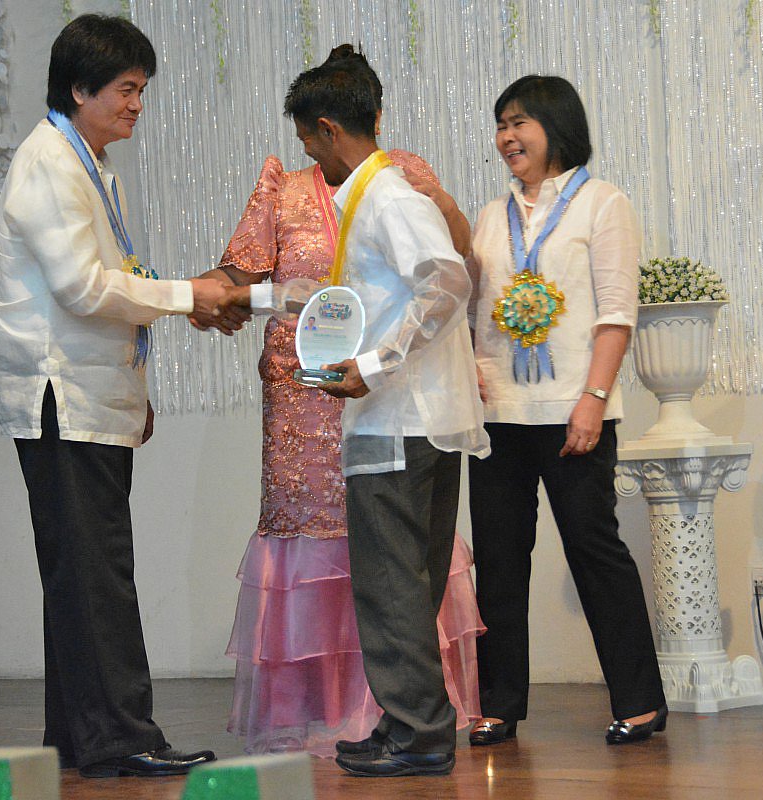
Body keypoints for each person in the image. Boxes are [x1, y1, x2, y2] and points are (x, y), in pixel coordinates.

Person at [196, 47, 484, 759]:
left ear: (328, 129)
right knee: (403, 584)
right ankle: (409, 722)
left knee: (390, 586)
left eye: (308, 141)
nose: (308, 156)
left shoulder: (386, 196)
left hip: (399, 421)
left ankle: (417, 734)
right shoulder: (369, 197)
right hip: (413, 421)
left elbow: (448, 281)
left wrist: (375, 365)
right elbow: (332, 299)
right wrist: (242, 297)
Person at [0, 14, 231, 778]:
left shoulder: (88, 163)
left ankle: (78, 734)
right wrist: (187, 294)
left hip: (89, 392)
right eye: (126, 89)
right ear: (79, 89)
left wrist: (133, 382)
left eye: (140, 90)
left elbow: (104, 289)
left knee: (81, 572)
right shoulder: (50, 164)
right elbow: (84, 289)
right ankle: (122, 736)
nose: (136, 105)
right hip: (61, 396)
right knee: (97, 574)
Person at [465, 74, 667, 747]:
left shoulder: (602, 204)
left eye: (519, 122)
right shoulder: (490, 216)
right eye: (501, 125)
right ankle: (499, 704)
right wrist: (470, 364)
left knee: (594, 551)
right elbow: (472, 310)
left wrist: (594, 399)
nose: (507, 137)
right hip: (498, 414)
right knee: (498, 562)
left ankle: (640, 701)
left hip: (575, 412)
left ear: (557, 126)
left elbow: (616, 315)